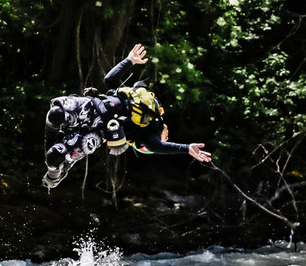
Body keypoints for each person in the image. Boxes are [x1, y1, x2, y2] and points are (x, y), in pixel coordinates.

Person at [43, 43, 213, 189]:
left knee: (54, 155)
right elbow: (110, 80)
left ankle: (54, 173)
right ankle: (51, 145)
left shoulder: (148, 134)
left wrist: (187, 148)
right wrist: (130, 60)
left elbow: (157, 147)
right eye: (167, 138)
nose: (167, 138)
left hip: (97, 132)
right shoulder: (142, 101)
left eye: (165, 140)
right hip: (91, 106)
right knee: (56, 113)